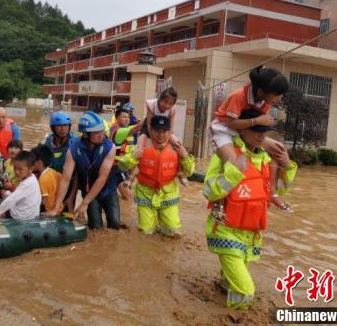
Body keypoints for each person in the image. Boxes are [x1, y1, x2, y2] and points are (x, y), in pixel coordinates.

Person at [203, 109, 297, 310]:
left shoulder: (264, 158)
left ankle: (223, 290)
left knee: (230, 284)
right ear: (242, 130)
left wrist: (287, 166)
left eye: (265, 131)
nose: (262, 136)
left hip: (250, 235)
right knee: (245, 292)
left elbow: (278, 191)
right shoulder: (225, 154)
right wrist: (234, 171)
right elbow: (209, 191)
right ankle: (237, 317)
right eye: (257, 131)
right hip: (225, 231)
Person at [210, 66, 291, 221]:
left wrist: (262, 127)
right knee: (232, 162)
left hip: (248, 129)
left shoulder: (266, 101)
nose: (279, 99)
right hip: (223, 129)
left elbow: (260, 125)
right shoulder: (238, 96)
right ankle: (218, 203)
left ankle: (272, 193)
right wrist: (256, 120)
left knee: (278, 149)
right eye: (277, 95)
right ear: (261, 91)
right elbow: (230, 122)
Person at [119, 116, 195, 235]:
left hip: (168, 194)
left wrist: (185, 156)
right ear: (151, 131)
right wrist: (134, 156)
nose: (161, 135)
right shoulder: (142, 145)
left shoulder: (177, 147)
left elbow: (189, 172)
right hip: (145, 193)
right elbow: (122, 166)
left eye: (164, 131)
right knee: (146, 233)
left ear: (169, 132)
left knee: (173, 232)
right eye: (157, 131)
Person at [46, 111, 120, 230]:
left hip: (108, 188)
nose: (102, 134)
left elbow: (102, 178)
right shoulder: (74, 148)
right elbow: (66, 178)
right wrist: (56, 207)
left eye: (102, 130)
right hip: (89, 189)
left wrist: (84, 203)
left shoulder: (109, 146)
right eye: (97, 132)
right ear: (85, 134)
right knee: (96, 227)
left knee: (115, 224)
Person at [43, 111, 79, 211]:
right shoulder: (47, 141)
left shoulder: (75, 142)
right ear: (53, 128)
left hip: (69, 182)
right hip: (52, 182)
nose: (63, 129)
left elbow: (77, 174)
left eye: (65, 126)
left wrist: (71, 197)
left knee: (66, 211)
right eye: (59, 126)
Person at [0, 151, 41, 220]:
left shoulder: (26, 183)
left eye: (20, 169)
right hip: (32, 214)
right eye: (15, 168)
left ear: (31, 169)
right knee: (6, 194)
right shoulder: (32, 178)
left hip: (20, 216)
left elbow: (10, 200)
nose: (16, 172)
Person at [109, 108, 143, 200]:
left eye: (128, 117)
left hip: (120, 167)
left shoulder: (119, 130)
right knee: (129, 198)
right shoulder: (120, 131)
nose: (127, 119)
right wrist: (153, 114)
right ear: (117, 118)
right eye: (124, 117)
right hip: (116, 168)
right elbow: (137, 128)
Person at [31, 144, 62, 213]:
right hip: (59, 207)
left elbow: (44, 200)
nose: (30, 164)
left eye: (32, 162)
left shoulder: (43, 179)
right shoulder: (52, 171)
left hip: (48, 210)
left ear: (39, 163)